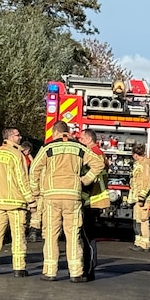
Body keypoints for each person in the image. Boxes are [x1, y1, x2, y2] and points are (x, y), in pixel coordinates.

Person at [29, 120, 104, 282]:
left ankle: (50, 271)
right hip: (73, 196)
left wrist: (35, 192)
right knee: (73, 236)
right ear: (68, 132)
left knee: (51, 235)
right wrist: (84, 179)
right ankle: (76, 273)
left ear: (54, 132)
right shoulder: (79, 148)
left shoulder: (47, 148)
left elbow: (34, 170)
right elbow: (99, 164)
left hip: (51, 197)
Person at [0, 128, 37, 277]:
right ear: (11, 137)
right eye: (18, 135)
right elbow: (22, 180)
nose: (20, 138)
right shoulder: (16, 155)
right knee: (18, 235)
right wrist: (31, 200)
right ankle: (19, 268)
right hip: (15, 203)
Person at [78, 128, 110, 281]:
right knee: (87, 236)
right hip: (93, 200)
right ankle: (88, 268)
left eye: (82, 138)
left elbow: (91, 175)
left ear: (89, 139)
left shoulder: (94, 153)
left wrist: (81, 181)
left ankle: (89, 270)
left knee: (87, 237)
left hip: (91, 200)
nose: (79, 140)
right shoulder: (99, 152)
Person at [129, 142, 150, 252]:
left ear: (135, 155)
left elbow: (146, 181)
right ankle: (138, 242)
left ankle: (145, 244)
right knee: (137, 220)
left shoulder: (146, 164)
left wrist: (141, 197)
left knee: (143, 220)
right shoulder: (139, 164)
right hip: (137, 197)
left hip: (144, 198)